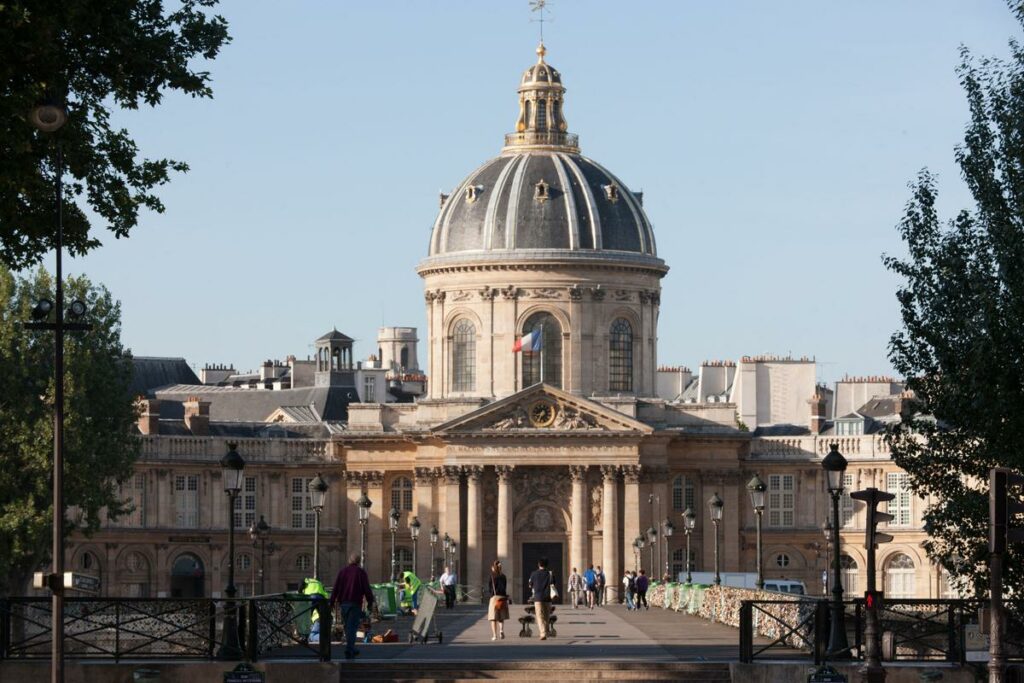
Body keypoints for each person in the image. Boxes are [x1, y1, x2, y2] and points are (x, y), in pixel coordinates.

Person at [329, 552, 375, 660]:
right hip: (355, 603)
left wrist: (331, 602)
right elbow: (366, 589)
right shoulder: (361, 572)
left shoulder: (342, 572)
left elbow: (335, 588)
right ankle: (349, 649)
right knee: (352, 627)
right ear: (358, 562)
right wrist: (370, 601)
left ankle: (351, 648)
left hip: (343, 603)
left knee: (347, 626)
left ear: (349, 561)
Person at [528, 557, 554, 640]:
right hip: (547, 597)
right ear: (546, 565)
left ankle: (543, 633)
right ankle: (545, 631)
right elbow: (553, 583)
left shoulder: (534, 574)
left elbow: (530, 585)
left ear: (538, 565)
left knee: (539, 616)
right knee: (546, 616)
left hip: (538, 598)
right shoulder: (550, 574)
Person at [487, 560, 510, 640]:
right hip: (502, 598)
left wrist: (491, 594)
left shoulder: (492, 576)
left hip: (494, 598)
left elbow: (490, 588)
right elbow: (505, 587)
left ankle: (494, 635)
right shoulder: (503, 576)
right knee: (501, 616)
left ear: (493, 567)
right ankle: (501, 630)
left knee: (493, 617)